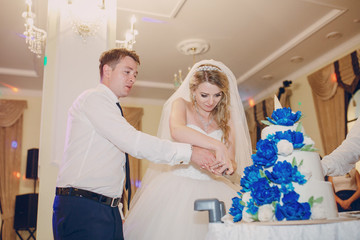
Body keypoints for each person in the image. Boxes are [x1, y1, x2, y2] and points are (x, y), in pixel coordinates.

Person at [52, 48, 229, 240]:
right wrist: (190, 152)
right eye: (127, 72)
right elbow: (133, 141)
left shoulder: (111, 107)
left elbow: (112, 168)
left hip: (104, 208)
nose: (132, 79)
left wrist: (116, 211)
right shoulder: (93, 98)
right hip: (84, 207)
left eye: (135, 74)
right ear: (107, 71)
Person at [123, 60, 252, 240]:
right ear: (193, 91)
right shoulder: (181, 105)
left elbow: (232, 162)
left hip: (216, 188)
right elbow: (177, 130)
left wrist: (225, 167)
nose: (211, 101)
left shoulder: (227, 117)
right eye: (204, 95)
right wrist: (217, 145)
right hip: (178, 187)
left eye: (217, 95)